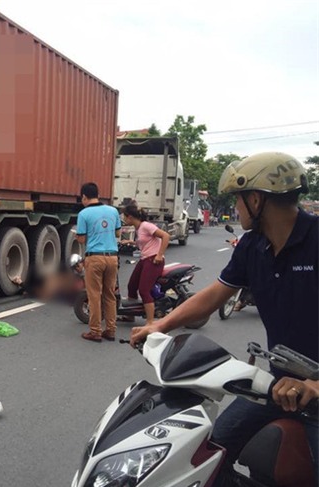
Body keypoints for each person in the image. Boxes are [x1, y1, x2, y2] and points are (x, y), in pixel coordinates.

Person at [130, 152, 319, 483]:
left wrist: (315, 385)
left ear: (256, 199)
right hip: (278, 388)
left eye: (238, 199)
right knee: (206, 451)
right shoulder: (252, 246)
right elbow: (214, 296)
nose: (236, 207)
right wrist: (160, 325)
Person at [76, 182, 121, 342]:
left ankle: (95, 331)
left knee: (94, 295)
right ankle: (111, 330)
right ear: (98, 194)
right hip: (112, 257)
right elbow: (117, 232)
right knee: (110, 295)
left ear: (84, 197)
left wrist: (79, 234)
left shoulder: (84, 214)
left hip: (95, 258)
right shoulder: (113, 210)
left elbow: (81, 239)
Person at [119, 204, 170, 325]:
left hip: (153, 261)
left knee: (144, 290)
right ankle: (130, 316)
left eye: (125, 217)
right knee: (132, 286)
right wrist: (131, 242)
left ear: (130, 217)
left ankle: (150, 322)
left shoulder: (146, 226)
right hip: (144, 259)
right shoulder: (139, 228)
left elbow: (166, 236)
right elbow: (145, 242)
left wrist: (159, 255)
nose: (124, 220)